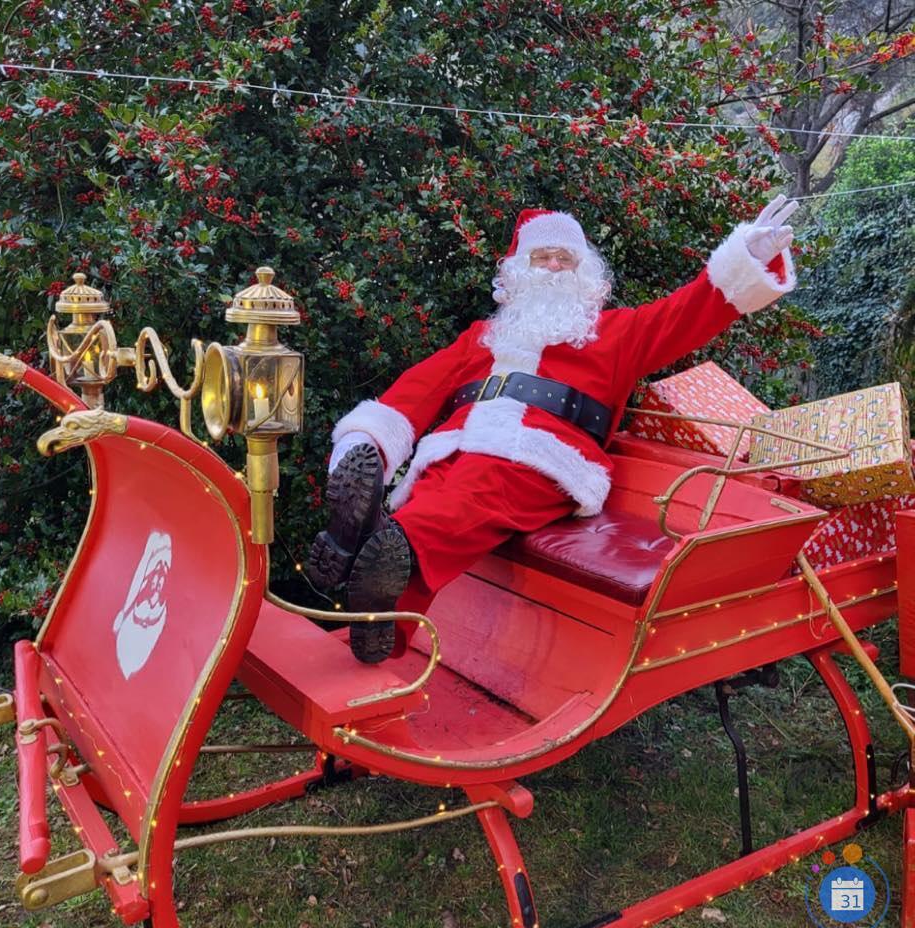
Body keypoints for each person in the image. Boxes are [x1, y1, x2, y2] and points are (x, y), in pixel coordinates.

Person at [307, 199, 799, 663]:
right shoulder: (481, 337)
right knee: (432, 495)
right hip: (457, 446)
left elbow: (686, 314)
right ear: (518, 271)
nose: (555, 266)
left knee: (478, 493)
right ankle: (382, 624)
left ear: (586, 272)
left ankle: (377, 546)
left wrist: (743, 259)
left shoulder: (618, 333)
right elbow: (417, 390)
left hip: (544, 458)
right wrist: (367, 440)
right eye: (542, 257)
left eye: (566, 258)